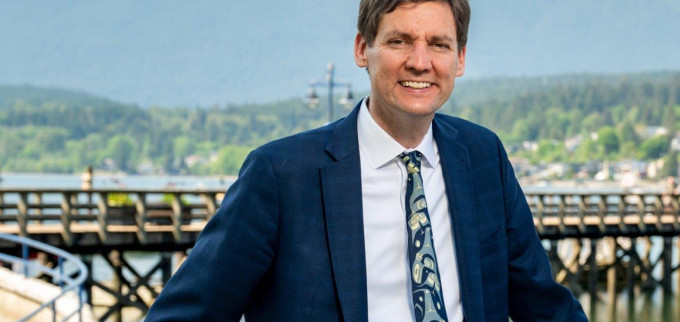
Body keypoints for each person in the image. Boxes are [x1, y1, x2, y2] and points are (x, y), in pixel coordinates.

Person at [146, 0, 587, 321]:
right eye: (400, 41)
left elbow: (544, 305)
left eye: (438, 44)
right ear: (363, 49)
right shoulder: (281, 175)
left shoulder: (482, 156)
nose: (420, 62)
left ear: (460, 59)